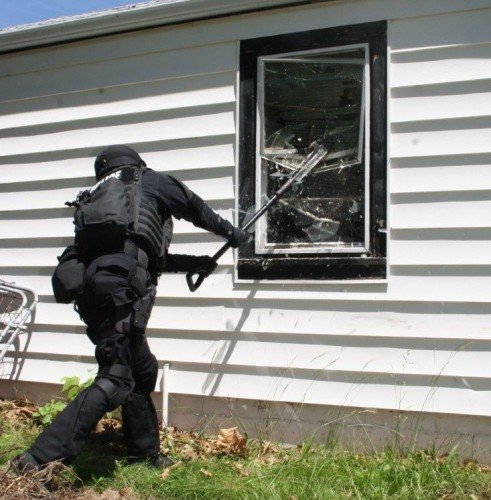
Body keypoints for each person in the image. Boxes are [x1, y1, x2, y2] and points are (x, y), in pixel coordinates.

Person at [12, 145, 248, 472]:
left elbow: (137, 256)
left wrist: (197, 262)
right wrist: (231, 232)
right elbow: (194, 207)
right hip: (123, 290)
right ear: (137, 164)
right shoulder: (148, 181)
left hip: (99, 293)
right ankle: (36, 460)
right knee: (116, 378)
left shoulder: (100, 200)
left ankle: (144, 454)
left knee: (141, 370)